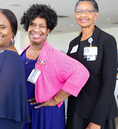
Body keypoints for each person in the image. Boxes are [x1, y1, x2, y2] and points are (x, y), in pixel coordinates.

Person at [20, 4, 90, 129]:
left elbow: (81, 73)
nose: (36, 29)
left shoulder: (53, 55)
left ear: (48, 30)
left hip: (45, 112)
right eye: (32, 24)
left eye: (41, 26)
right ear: (27, 26)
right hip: (23, 110)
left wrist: (56, 100)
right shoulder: (21, 52)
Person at [66, 0, 118, 129]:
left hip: (98, 113)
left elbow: (109, 84)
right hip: (76, 110)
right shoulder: (73, 43)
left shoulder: (106, 40)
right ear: (75, 15)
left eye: (88, 11)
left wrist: (97, 120)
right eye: (79, 11)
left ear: (96, 15)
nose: (83, 15)